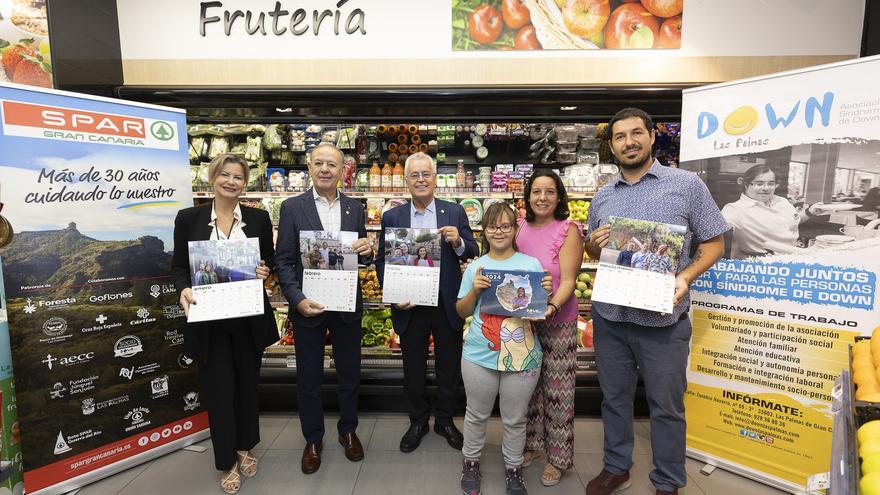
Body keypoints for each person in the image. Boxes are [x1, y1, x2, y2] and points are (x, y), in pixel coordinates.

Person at [584, 108, 728, 495]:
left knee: (666, 408)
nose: (628, 142)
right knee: (614, 400)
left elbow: (715, 243)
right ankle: (617, 467)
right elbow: (595, 252)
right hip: (612, 317)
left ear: (651, 136)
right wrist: (593, 246)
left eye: (636, 134)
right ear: (611, 145)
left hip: (663, 321)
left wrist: (684, 277)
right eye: (619, 137)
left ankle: (667, 481)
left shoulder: (686, 185)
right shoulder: (603, 195)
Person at [172, 153, 278, 495]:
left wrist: (265, 270)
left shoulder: (259, 219)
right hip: (209, 318)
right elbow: (178, 267)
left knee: (247, 385)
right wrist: (184, 289)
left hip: (247, 315)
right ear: (213, 177)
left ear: (245, 183)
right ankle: (226, 462)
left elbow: (269, 262)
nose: (231, 181)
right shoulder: (189, 218)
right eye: (225, 175)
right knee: (218, 391)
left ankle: (246, 445)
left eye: (238, 177)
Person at [275, 143, 374, 474]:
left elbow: (362, 255)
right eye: (319, 163)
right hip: (309, 305)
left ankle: (348, 430)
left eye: (332, 164)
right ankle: (313, 438)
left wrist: (367, 250)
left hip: (346, 303)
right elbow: (284, 260)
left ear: (342, 169)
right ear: (309, 166)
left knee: (349, 373)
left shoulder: (354, 208)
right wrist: (297, 298)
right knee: (308, 378)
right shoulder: (292, 207)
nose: (325, 169)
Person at [375, 152, 479, 453]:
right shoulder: (392, 216)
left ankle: (445, 420)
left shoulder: (454, 212)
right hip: (411, 303)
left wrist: (458, 241)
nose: (420, 180)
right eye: (414, 175)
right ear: (406, 181)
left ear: (435, 178)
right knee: (413, 368)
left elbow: (472, 250)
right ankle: (418, 421)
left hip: (447, 302)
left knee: (449, 366)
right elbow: (382, 261)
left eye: (426, 174)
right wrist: (393, 294)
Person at [456, 202, 547, 495]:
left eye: (506, 225)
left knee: (515, 418)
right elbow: (461, 311)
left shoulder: (531, 265)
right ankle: (470, 463)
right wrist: (474, 291)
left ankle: (513, 469)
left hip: (523, 355)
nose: (499, 231)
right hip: (479, 355)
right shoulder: (475, 266)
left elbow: (538, 312)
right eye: (493, 226)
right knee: (476, 414)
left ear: (514, 229)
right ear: (485, 230)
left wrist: (542, 296)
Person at [516, 169, 583, 487]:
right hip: (524, 320)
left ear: (559, 197)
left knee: (558, 392)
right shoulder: (520, 227)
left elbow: (568, 280)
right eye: (537, 192)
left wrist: (551, 307)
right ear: (528, 196)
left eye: (550, 192)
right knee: (526, 388)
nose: (542, 198)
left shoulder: (569, 229)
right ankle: (530, 444)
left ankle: (558, 458)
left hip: (559, 321)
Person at [720, 164, 828, 259]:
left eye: (771, 184)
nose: (766, 188)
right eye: (759, 183)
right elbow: (710, 231)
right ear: (745, 184)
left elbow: (792, 221)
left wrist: (810, 212)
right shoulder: (735, 209)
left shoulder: (782, 201)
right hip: (764, 262)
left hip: (796, 255)